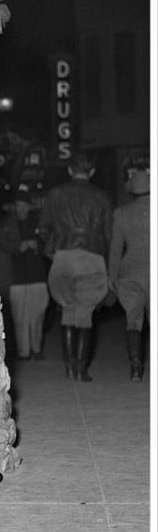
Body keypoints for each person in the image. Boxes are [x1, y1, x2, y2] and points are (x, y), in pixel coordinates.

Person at [39, 153, 112, 382]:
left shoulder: (56, 194)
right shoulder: (101, 197)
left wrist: (52, 253)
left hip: (63, 257)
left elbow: (43, 229)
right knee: (85, 312)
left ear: (70, 171)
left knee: (67, 310)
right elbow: (108, 234)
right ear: (92, 172)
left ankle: (69, 367)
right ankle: (81, 368)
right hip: (92, 257)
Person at [0, 192, 49, 361]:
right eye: (19, 205)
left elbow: (49, 243)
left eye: (25, 206)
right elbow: (0, 243)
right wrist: (18, 246)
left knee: (38, 314)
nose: (22, 209)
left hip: (37, 276)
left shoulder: (38, 222)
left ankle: (37, 349)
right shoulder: (7, 224)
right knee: (20, 317)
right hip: (16, 277)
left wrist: (37, 245)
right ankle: (24, 351)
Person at [108, 159, 150, 382]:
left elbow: (115, 249)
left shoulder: (121, 213)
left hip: (130, 274)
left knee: (133, 321)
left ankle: (135, 369)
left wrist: (112, 276)